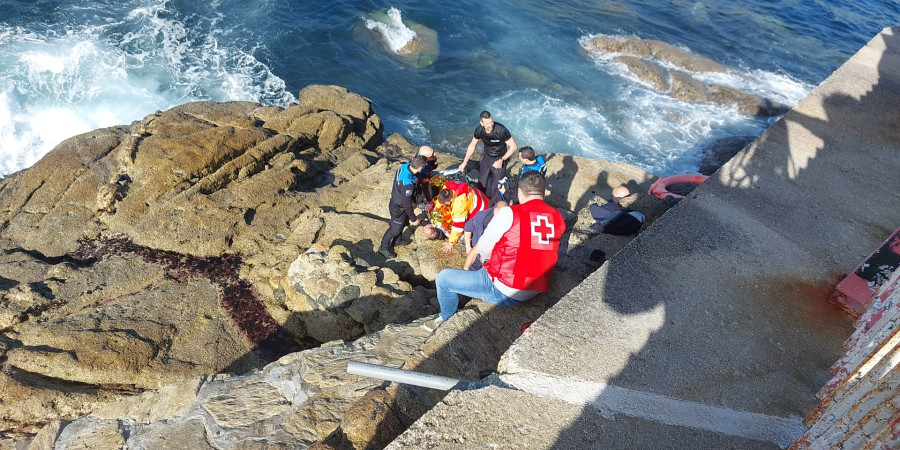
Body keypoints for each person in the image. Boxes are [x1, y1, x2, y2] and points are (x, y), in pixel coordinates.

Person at [424, 172, 566, 332]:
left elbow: (484, 249)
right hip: (537, 286)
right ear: (544, 191)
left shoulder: (510, 213)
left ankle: (446, 318)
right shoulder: (557, 216)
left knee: (444, 279)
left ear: (520, 191)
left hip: (507, 289)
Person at [459, 111, 518, 200]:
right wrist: (464, 163)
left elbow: (513, 146)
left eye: (491, 122)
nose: (490, 125)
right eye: (487, 124)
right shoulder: (479, 130)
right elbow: (472, 145)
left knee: (495, 187)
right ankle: (481, 201)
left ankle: (494, 206)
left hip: (500, 158)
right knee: (481, 182)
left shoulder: (501, 130)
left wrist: (501, 160)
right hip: (487, 157)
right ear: (481, 123)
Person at [379, 155, 428, 259]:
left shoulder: (404, 166)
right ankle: (383, 247)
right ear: (421, 168)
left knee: (402, 223)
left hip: (397, 199)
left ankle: (398, 239)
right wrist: (414, 219)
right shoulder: (407, 184)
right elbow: (407, 205)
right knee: (395, 229)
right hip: (398, 207)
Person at [435, 180, 490, 253]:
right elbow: (441, 198)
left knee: (472, 226)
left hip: (480, 209)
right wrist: (437, 206)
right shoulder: (448, 188)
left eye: (446, 204)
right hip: (478, 196)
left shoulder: (459, 204)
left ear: (451, 200)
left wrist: (451, 242)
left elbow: (458, 225)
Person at [463, 200, 508, 271]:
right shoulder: (481, 217)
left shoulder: (507, 223)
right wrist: (468, 247)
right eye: (499, 211)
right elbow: (468, 227)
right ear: (495, 209)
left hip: (491, 260)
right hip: (476, 257)